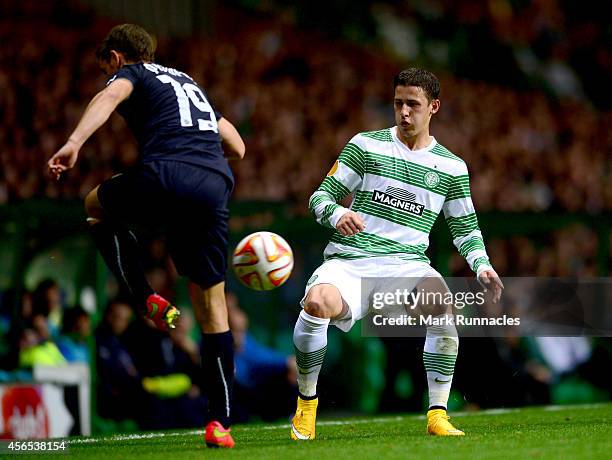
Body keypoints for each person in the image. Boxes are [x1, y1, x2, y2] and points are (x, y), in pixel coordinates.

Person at [47, 24, 245, 448]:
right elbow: (238, 146)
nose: (108, 75)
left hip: (166, 173)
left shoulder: (132, 75)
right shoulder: (191, 84)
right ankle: (220, 423)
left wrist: (74, 142)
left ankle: (144, 297)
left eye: (107, 67)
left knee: (94, 207)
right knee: (212, 306)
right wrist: (201, 155)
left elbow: (108, 98)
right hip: (214, 181)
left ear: (116, 58)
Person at [290, 68, 504, 440]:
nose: (404, 112)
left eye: (413, 104)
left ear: (433, 107)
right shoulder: (366, 145)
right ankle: (306, 406)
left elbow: (465, 228)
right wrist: (338, 213)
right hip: (351, 263)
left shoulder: (452, 167)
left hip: (406, 267)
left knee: (442, 302)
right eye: (398, 103)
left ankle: (438, 413)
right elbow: (319, 197)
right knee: (317, 303)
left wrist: (481, 264)